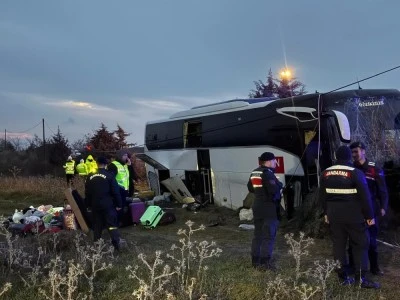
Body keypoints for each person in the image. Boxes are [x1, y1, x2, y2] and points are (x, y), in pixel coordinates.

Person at [320, 145, 379, 289]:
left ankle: (342, 277)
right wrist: (370, 216)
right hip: (355, 217)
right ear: (348, 157)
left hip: (334, 216)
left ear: (336, 157)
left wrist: (325, 213)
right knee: (360, 245)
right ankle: (361, 280)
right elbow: (366, 198)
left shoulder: (325, 173)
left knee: (338, 245)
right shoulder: (356, 172)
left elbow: (322, 196)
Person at [349, 141, 388, 276]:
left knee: (371, 240)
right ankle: (354, 267)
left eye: (356, 151)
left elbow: (382, 190)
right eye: (352, 152)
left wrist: (383, 207)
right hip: (354, 210)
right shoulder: (350, 169)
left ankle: (375, 268)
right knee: (353, 240)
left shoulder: (374, 169)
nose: (354, 154)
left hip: (371, 209)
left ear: (363, 151)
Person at [247, 152, 282, 271]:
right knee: (269, 236)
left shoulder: (255, 172)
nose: (275, 163)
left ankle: (255, 261)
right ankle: (265, 263)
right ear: (268, 161)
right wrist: (280, 184)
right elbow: (273, 190)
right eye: (274, 161)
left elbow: (250, 188)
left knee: (258, 235)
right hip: (268, 207)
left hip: (257, 206)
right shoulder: (268, 173)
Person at [85, 156, 122, 250]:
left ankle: (97, 246)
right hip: (107, 204)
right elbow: (115, 191)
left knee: (97, 226)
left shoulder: (90, 176)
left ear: (97, 164)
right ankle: (116, 244)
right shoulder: (109, 175)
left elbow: (87, 192)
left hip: (95, 204)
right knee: (112, 225)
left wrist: (88, 205)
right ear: (106, 165)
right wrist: (119, 204)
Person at [107, 150, 130, 221]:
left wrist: (129, 166)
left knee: (123, 207)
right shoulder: (113, 165)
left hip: (124, 190)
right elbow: (110, 179)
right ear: (120, 156)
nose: (126, 157)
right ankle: (117, 222)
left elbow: (128, 177)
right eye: (124, 155)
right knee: (118, 207)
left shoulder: (124, 165)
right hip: (118, 190)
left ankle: (122, 221)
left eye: (127, 155)